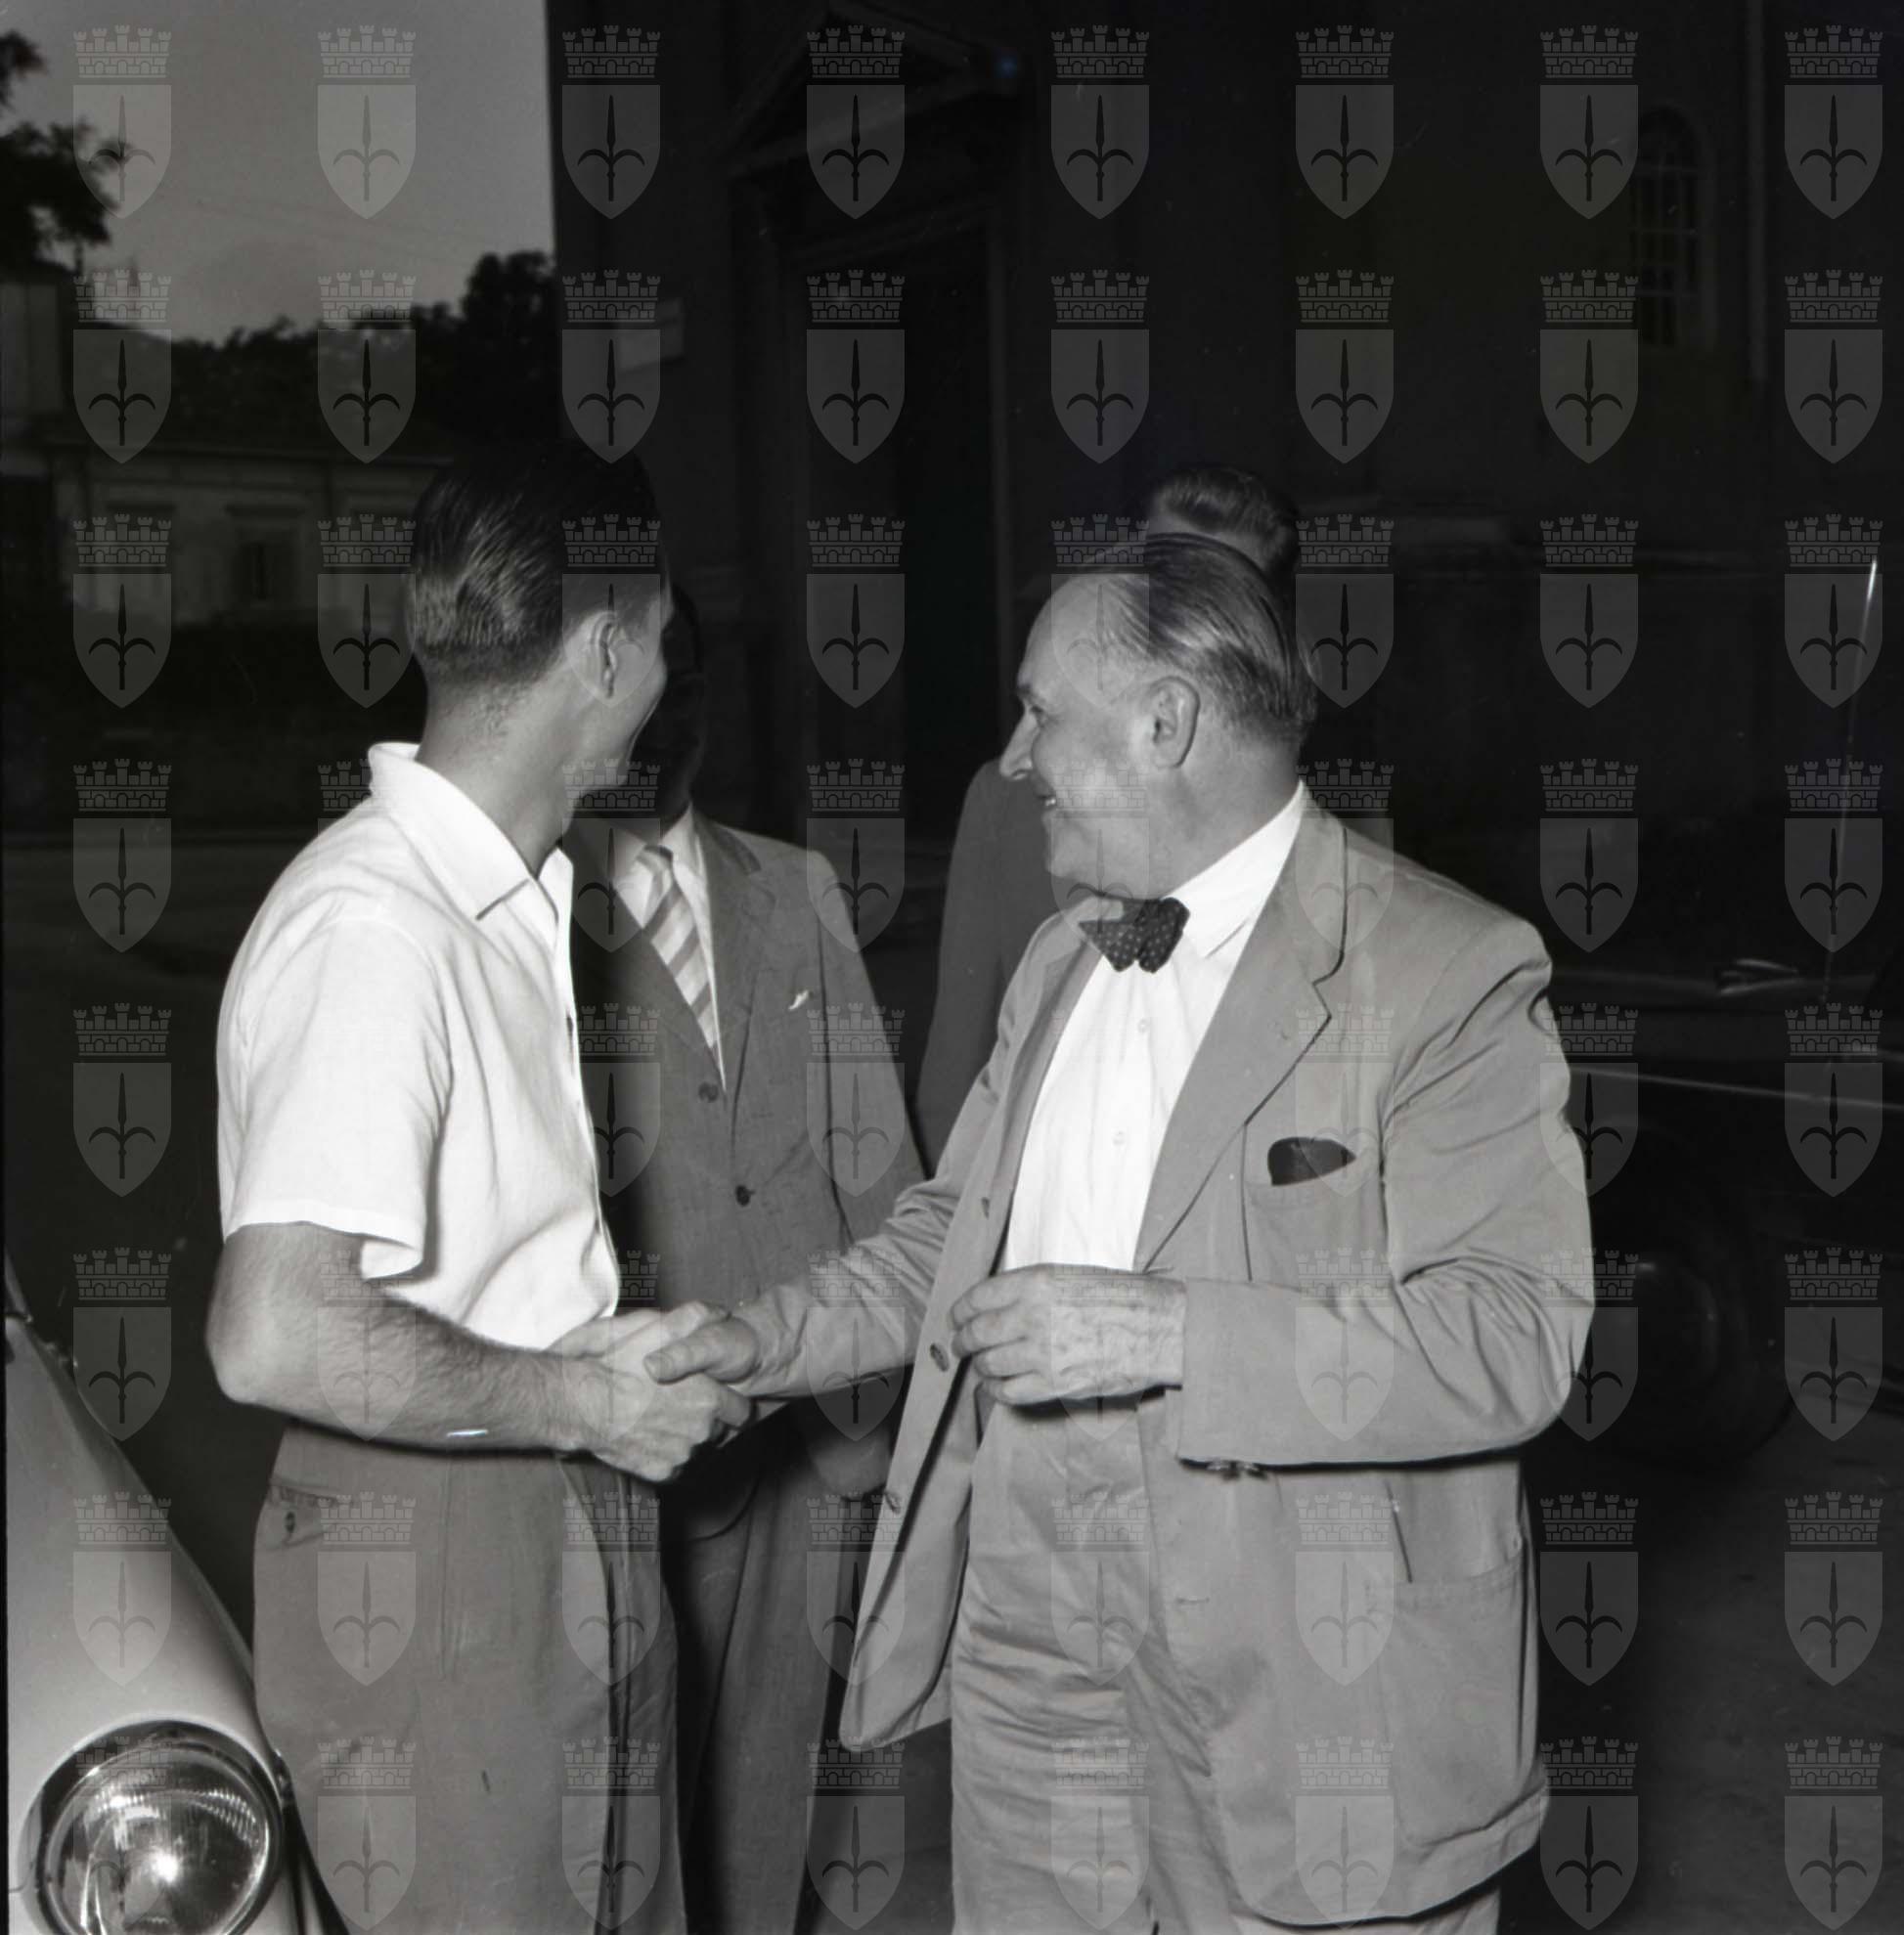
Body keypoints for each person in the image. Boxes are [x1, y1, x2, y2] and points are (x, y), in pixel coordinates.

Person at [653, 530, 1592, 1932]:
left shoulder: (1445, 968)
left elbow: (1514, 1333)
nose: (1013, 758)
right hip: (1029, 1575)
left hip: (1298, 1626)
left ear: (1165, 722)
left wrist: (1164, 1332)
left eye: (1039, 710)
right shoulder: (1063, 955)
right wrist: (761, 1340)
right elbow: (951, 1240)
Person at [208, 442, 745, 1934]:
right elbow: (274, 1330)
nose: (665, 674)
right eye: (658, 637)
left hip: (536, 1496)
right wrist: (583, 1400)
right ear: (604, 652)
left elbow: (473, 1260)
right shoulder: (378, 923)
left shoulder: (495, 895)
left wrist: (583, 1366)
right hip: (443, 1553)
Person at [568, 587, 922, 1933]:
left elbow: (878, 1159)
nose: (664, 726)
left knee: (777, 1776)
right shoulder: (533, 906)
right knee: (642, 1797)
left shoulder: (795, 886)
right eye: (643, 696)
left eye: (690, 693)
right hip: (649, 1421)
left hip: (815, 1417)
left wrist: (885, 1415)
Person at [914, 463, 1299, 1165]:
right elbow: (956, 1080)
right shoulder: (1012, 803)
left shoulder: (1320, 855)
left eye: (1216, 602)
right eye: (1160, 588)